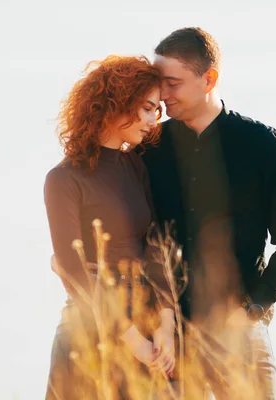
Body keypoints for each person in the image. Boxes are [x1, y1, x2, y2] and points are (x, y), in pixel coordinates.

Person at [140, 27, 276, 399]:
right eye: (159, 84)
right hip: (166, 340)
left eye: (172, 83)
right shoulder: (149, 149)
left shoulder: (264, 145)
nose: (162, 95)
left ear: (209, 79)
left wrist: (252, 309)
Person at [43, 55, 176, 400]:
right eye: (146, 108)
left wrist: (166, 324)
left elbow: (156, 244)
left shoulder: (136, 167)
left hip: (147, 324)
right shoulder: (63, 179)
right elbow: (72, 270)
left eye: (157, 110)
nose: (152, 120)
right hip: (92, 331)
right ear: (116, 101)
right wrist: (132, 340)